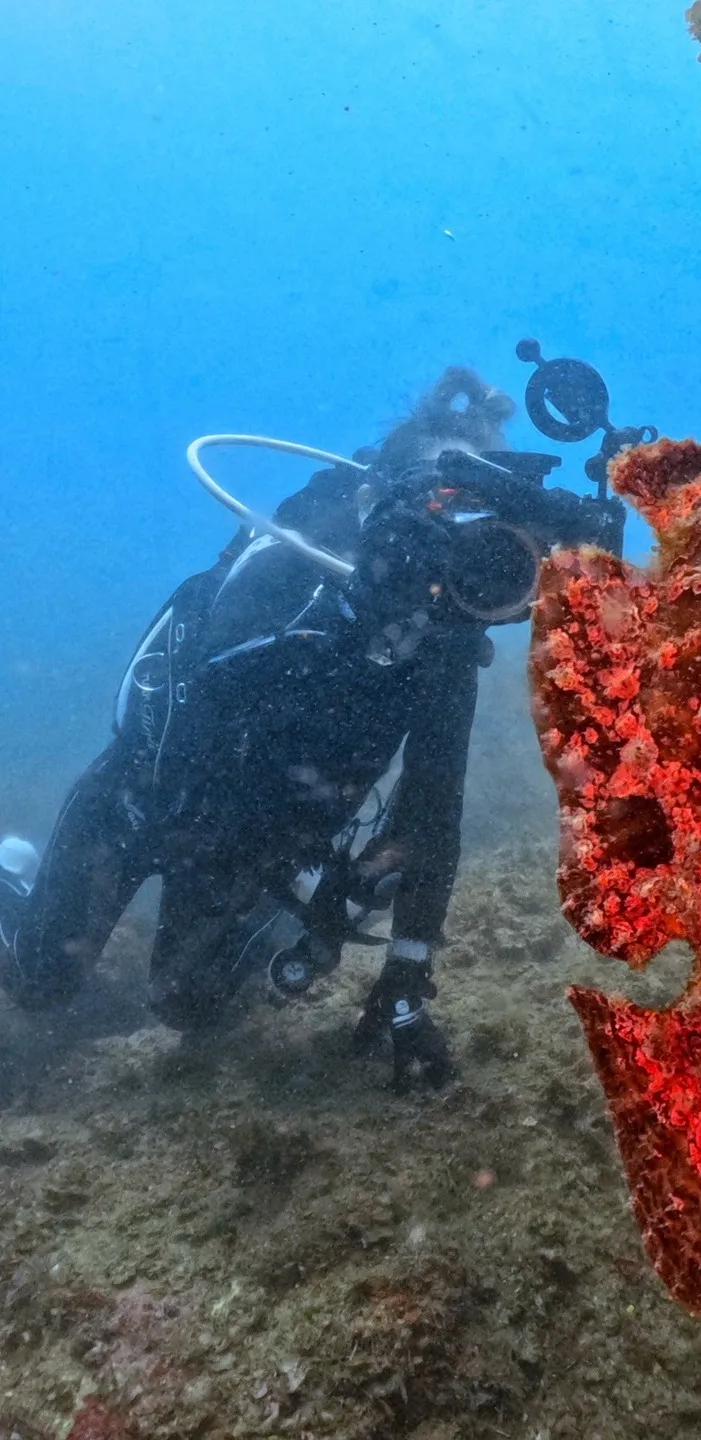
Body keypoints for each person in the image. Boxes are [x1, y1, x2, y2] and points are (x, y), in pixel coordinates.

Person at [0, 360, 628, 1089]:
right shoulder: (299, 550)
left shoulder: (440, 638)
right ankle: (17, 873)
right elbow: (209, 702)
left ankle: (253, 924)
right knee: (42, 981)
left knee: (192, 1007)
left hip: (253, 848)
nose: (458, 545)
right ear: (390, 491)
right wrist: (356, 610)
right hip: (143, 800)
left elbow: (433, 807)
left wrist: (406, 976)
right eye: (442, 503)